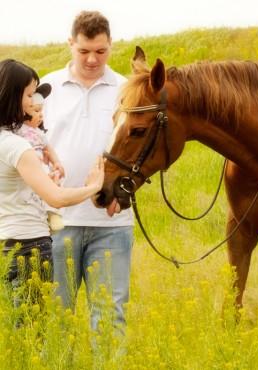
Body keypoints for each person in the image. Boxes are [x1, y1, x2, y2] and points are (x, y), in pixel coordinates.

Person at [41, 10, 134, 332]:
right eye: (84, 51)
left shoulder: (126, 89)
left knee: (109, 317)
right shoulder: (46, 87)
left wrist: (124, 193)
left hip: (111, 224)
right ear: (70, 44)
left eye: (100, 51)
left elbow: (141, 150)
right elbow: (28, 147)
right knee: (56, 317)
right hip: (55, 223)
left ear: (111, 45)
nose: (92, 59)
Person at [0, 58, 104, 290]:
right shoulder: (17, 146)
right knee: (32, 325)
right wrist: (94, 187)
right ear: (11, 96)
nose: (33, 102)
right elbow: (56, 198)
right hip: (28, 244)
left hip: (5, 241)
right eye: (29, 95)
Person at [16, 83, 65, 233]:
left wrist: (56, 162)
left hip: (41, 165)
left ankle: (53, 214)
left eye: (41, 111)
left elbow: (48, 148)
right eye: (36, 111)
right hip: (28, 165)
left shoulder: (38, 132)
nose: (41, 115)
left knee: (53, 183)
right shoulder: (17, 130)